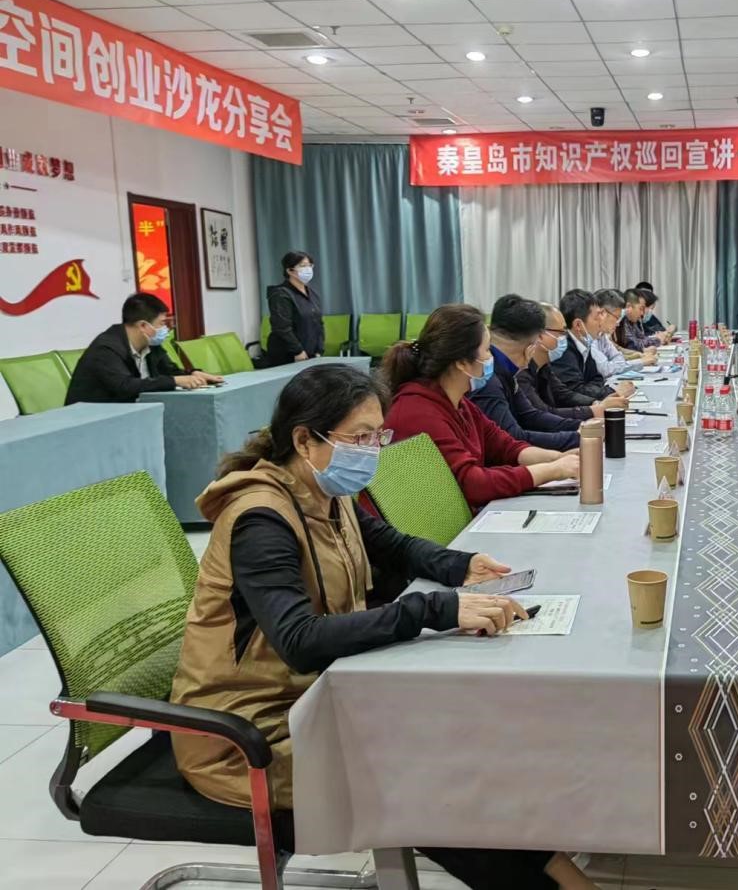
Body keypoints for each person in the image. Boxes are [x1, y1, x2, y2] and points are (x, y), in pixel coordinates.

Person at [169, 364, 596, 890]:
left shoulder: (323, 492)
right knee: (428, 779)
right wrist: (435, 609)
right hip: (251, 736)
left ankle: (560, 873)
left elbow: (389, 543)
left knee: (464, 744)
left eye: (378, 436)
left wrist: (459, 565)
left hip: (325, 696)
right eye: (359, 438)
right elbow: (300, 641)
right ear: (304, 440)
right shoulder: (261, 519)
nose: (371, 451)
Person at [381, 304, 579, 511]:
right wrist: (552, 470)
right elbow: (473, 483)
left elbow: (505, 446)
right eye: (486, 350)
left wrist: (558, 458)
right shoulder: (418, 411)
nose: (491, 357)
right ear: (462, 362)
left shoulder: (459, 402)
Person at [469, 294, 580, 451]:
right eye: (487, 349)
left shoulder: (506, 372)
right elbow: (512, 440)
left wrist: (582, 430)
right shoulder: (488, 383)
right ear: (533, 346)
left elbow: (530, 416)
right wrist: (577, 439)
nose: (490, 356)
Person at [66, 293, 222, 404]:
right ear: (143, 325)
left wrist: (193, 374)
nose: (166, 329)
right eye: (162, 323)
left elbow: (169, 371)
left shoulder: (151, 345)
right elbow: (125, 386)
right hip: (94, 419)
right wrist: (175, 381)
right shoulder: (106, 348)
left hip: (134, 411)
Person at [516, 302, 627, 425]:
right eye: (561, 333)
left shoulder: (543, 366)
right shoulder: (521, 373)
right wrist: (593, 410)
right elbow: (542, 414)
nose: (565, 338)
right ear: (541, 335)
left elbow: (563, 394)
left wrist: (596, 404)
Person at [265, 251, 324, 366]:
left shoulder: (312, 294)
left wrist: (319, 349)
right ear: (290, 271)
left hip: (310, 352)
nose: (308, 269)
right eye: (303, 266)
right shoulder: (280, 294)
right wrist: (298, 351)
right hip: (288, 354)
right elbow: (282, 327)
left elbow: (319, 323)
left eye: (310, 265)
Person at [590, 288, 657, 377]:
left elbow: (618, 357)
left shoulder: (602, 335)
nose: (618, 323)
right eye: (617, 318)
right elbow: (605, 369)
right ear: (603, 314)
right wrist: (639, 361)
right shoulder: (590, 336)